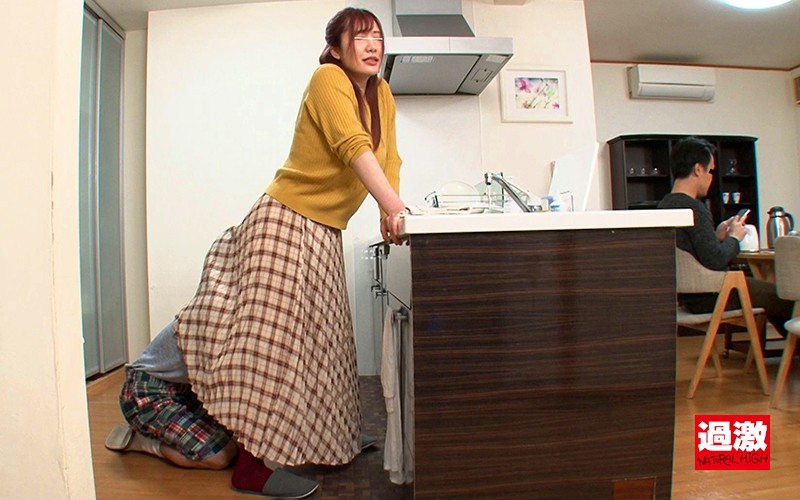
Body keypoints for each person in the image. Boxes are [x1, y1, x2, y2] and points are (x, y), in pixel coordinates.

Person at [105, 7, 405, 498]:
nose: (372, 45)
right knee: (269, 344)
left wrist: (387, 211)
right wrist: (392, 206)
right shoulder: (327, 79)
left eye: (377, 36)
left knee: (322, 340)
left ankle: (331, 439)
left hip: (322, 227)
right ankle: (243, 465)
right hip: (284, 220)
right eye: (359, 37)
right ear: (334, 49)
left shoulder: (382, 93)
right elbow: (352, 145)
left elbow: (388, 157)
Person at [657, 136, 792, 336]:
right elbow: (716, 260)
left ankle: (787, 352)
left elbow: (696, 251)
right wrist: (734, 238)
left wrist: (717, 237)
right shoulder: (694, 208)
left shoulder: (666, 205)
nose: (712, 177)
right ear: (698, 169)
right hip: (713, 295)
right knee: (784, 295)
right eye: (711, 170)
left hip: (689, 297)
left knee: (770, 293)